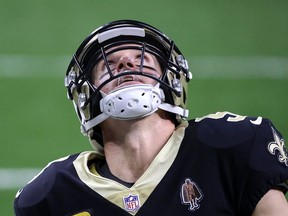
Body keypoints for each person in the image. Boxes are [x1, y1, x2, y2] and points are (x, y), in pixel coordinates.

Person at [14, 19, 288, 216]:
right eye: (108, 64)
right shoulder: (52, 195)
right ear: (87, 97)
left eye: (141, 59)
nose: (126, 64)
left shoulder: (231, 147)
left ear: (171, 82)